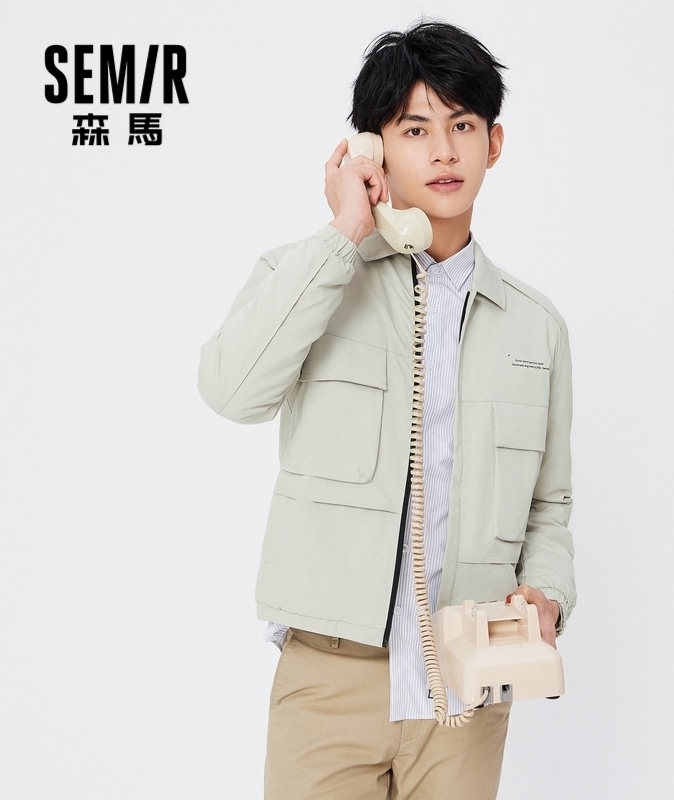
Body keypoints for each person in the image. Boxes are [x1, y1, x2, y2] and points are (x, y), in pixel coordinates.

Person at [198, 19, 576, 800]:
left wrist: (546, 594)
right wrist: (346, 231)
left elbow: (550, 504)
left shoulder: (535, 328)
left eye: (462, 126)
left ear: (494, 144)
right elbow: (231, 390)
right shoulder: (311, 276)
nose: (443, 152)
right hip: (330, 680)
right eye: (415, 129)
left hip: (469, 684)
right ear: (372, 148)